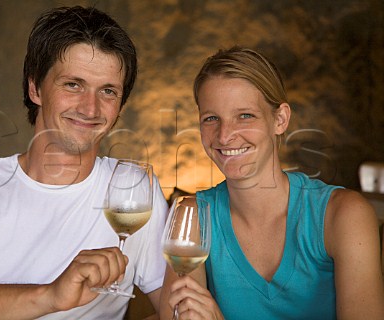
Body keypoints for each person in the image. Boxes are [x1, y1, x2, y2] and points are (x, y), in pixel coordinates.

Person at [0, 6, 168, 319]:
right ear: (35, 88)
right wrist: (51, 295)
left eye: (107, 91)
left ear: (120, 105)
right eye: (73, 84)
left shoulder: (134, 190)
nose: (90, 107)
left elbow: (175, 308)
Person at [160, 47, 384, 319]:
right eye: (211, 119)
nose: (225, 135)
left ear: (280, 119)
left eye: (245, 115)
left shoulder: (343, 215)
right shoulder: (193, 217)